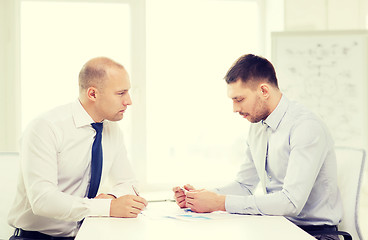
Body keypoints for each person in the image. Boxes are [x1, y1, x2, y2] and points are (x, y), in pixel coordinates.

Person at [173, 54, 343, 240]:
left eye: (239, 99)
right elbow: (244, 185)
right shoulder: (257, 127)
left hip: (315, 234)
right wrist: (200, 198)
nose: (234, 109)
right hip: (276, 226)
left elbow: (290, 202)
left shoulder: (305, 127)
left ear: (263, 91)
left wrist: (219, 202)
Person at [8, 57, 147, 240]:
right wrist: (108, 207)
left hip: (85, 235)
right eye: (121, 93)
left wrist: (112, 197)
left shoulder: (112, 130)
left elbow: (128, 182)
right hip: (35, 237)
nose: (129, 101)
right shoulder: (45, 128)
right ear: (93, 94)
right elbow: (43, 200)